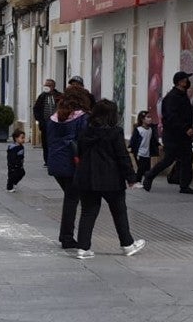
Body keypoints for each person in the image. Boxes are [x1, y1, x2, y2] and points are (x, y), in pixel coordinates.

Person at [72, 99, 147, 259]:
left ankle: (83, 248)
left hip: (87, 177)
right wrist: (131, 178)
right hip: (111, 179)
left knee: (87, 212)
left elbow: (79, 151)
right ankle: (127, 244)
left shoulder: (85, 131)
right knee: (119, 211)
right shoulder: (115, 132)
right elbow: (122, 156)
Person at [46, 86, 92, 249]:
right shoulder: (82, 118)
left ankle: (66, 236)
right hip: (73, 163)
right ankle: (66, 237)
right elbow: (85, 141)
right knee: (72, 200)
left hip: (56, 163)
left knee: (70, 198)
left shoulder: (54, 118)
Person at [143, 71, 193, 194]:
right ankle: (149, 175)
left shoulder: (183, 95)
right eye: (186, 79)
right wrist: (185, 128)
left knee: (187, 159)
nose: (188, 82)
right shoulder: (172, 97)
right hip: (173, 135)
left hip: (183, 136)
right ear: (180, 82)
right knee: (168, 159)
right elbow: (171, 117)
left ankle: (184, 186)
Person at [32, 78, 61, 168]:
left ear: (53, 86)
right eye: (45, 85)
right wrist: (40, 120)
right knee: (45, 143)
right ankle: (47, 160)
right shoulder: (42, 96)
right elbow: (36, 109)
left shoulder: (59, 96)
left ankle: (56, 159)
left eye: (49, 85)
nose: (47, 87)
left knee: (56, 142)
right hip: (45, 124)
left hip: (57, 124)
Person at [128, 110, 159, 179]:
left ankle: (145, 182)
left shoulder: (151, 129)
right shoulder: (138, 129)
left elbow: (153, 140)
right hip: (139, 153)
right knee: (141, 169)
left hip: (147, 153)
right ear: (142, 119)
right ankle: (137, 181)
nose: (150, 118)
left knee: (147, 169)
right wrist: (130, 147)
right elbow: (133, 140)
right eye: (148, 117)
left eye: (150, 117)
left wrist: (158, 145)